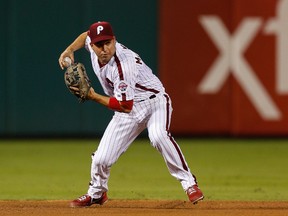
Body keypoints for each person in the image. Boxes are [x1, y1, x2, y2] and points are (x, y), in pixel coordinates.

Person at [58, 21, 204, 207]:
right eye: (99, 44)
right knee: (102, 158)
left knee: (158, 136)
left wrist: (93, 96)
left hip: (154, 102)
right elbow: (86, 35)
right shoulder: (91, 42)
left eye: (108, 43)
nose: (104, 49)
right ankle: (96, 193)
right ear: (92, 45)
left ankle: (189, 183)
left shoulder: (123, 65)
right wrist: (69, 50)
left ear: (114, 40)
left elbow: (125, 105)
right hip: (127, 109)